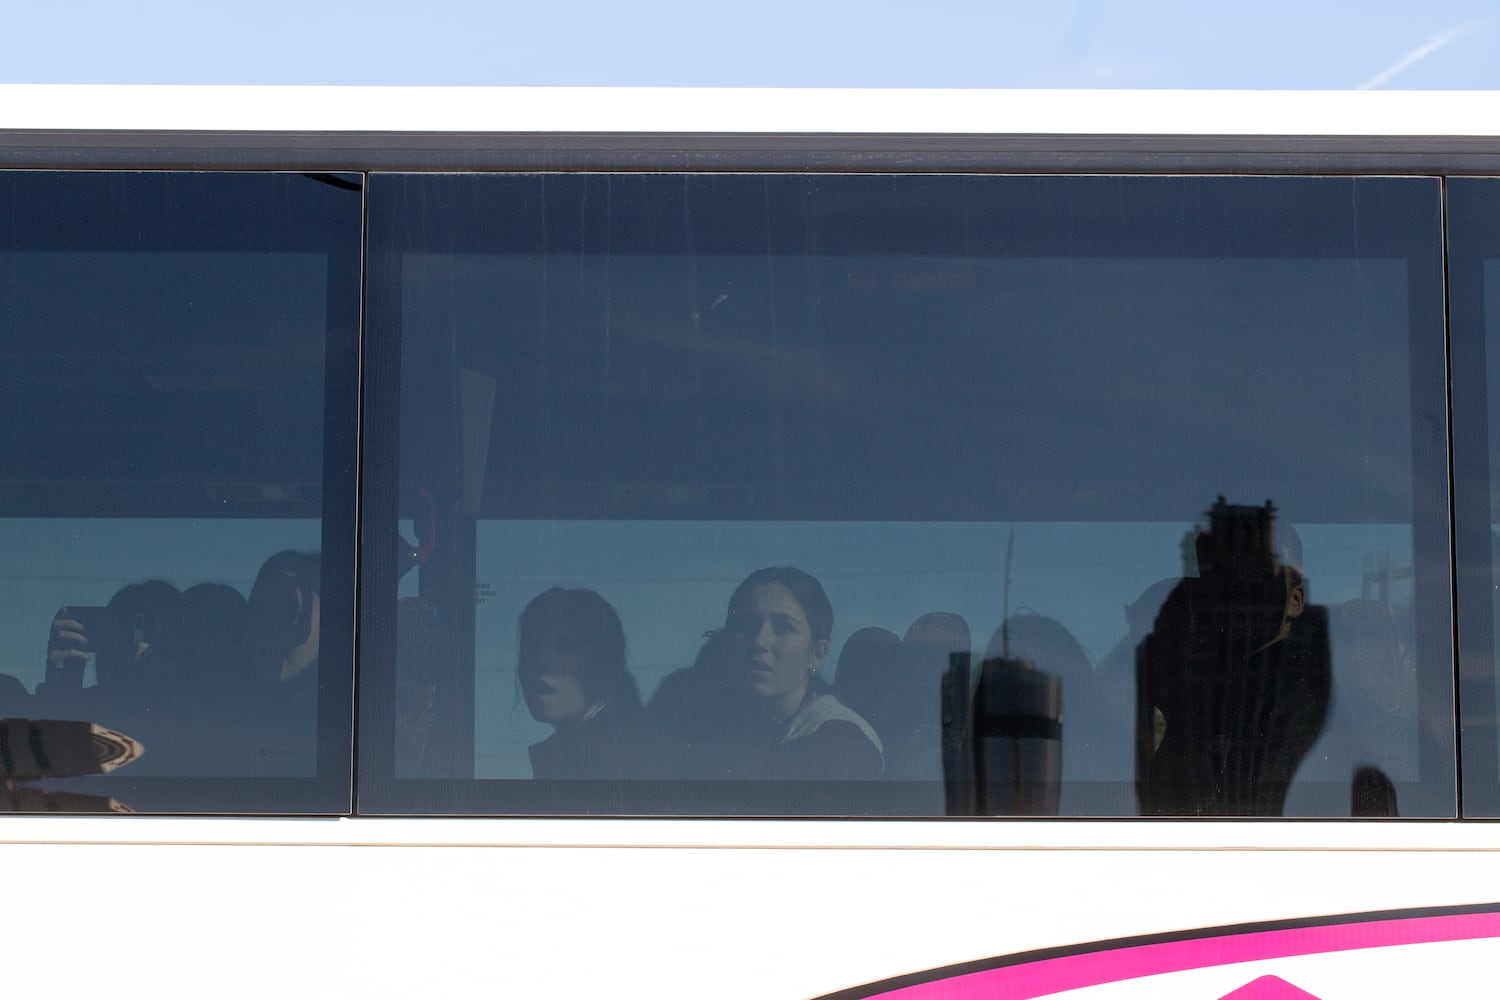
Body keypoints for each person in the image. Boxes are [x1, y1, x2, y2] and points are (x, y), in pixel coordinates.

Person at [717, 567, 882, 780]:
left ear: (817, 654)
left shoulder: (843, 746)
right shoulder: (715, 728)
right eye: (747, 625)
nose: (760, 641)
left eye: (783, 628)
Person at [516, 587, 662, 780]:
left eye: (565, 648)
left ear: (604, 666)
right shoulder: (564, 757)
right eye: (531, 646)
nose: (540, 662)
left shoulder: (629, 759)